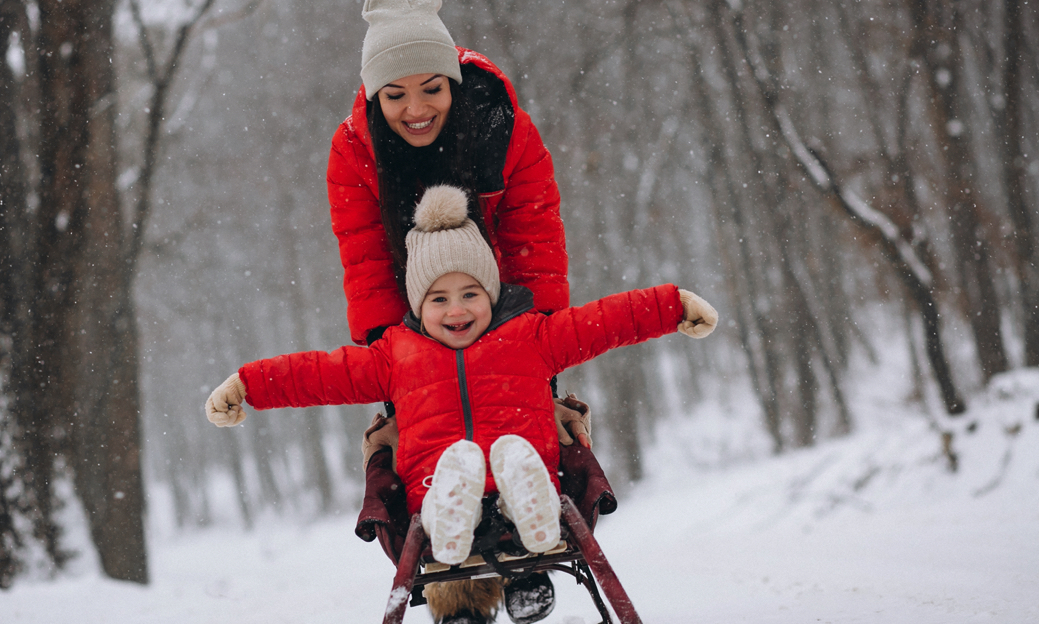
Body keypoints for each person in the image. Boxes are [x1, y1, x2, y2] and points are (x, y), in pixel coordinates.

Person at [205, 186, 718, 623]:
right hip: (438, 495)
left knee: (523, 468)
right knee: (451, 484)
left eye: (470, 293)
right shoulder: (396, 357)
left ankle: (532, 523)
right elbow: (319, 374)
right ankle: (451, 529)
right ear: (417, 305)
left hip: (525, 482)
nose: (456, 309)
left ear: (491, 293)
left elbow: (604, 321)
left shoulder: (530, 336)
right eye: (439, 298)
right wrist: (250, 386)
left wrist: (671, 306)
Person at [330, 0, 589, 618]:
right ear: (372, 98)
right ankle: (456, 593)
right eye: (394, 96)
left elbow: (536, 248)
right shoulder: (354, 154)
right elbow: (367, 268)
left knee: (522, 421)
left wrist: (539, 350)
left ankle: (527, 551)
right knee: (428, 441)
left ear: (453, 80)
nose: (415, 110)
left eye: (431, 89)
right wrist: (397, 366)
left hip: (504, 307)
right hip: (416, 318)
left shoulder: (504, 131)